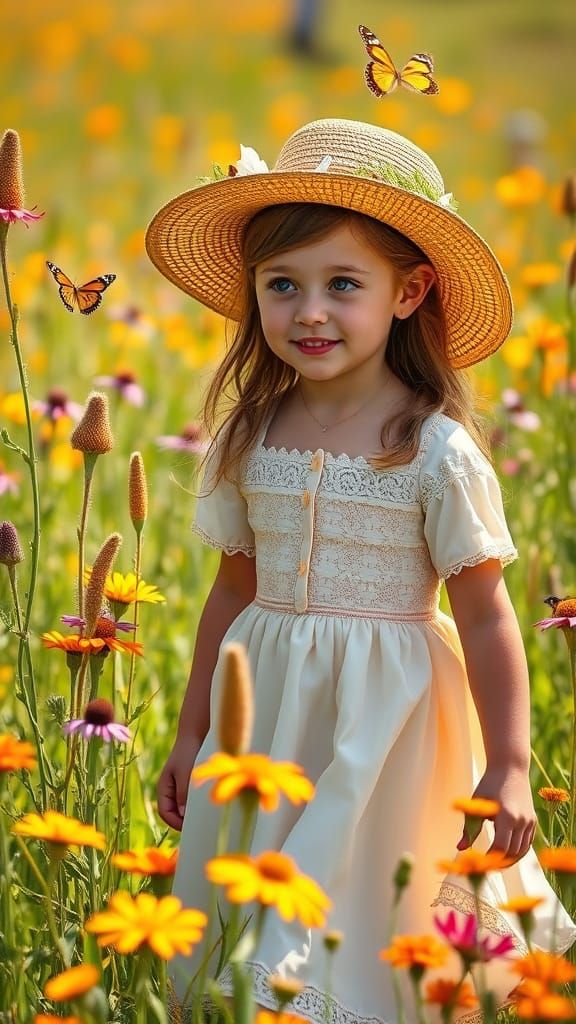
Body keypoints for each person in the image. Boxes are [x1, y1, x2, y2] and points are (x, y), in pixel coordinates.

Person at [145, 118, 576, 1024]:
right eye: (281, 286)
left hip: (389, 725)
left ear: (410, 291)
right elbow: (231, 593)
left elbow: (489, 615)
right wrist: (191, 736)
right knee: (250, 915)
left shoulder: (434, 449)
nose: (309, 312)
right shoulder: (247, 435)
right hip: (263, 712)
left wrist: (506, 764)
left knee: (358, 920)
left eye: (344, 284)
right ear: (252, 294)